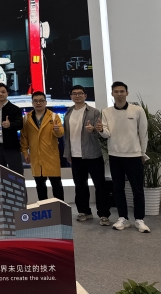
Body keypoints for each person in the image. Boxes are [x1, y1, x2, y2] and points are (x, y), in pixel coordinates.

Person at [96, 81, 150, 233]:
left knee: (137, 189)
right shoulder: (106, 112)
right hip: (115, 155)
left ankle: (139, 219)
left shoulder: (137, 110)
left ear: (127, 93)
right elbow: (106, 134)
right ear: (112, 94)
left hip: (134, 155)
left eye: (122, 91)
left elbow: (143, 133)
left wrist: (142, 153)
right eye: (116, 92)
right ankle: (123, 218)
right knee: (118, 188)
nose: (119, 94)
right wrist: (100, 130)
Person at [63, 85, 112, 226]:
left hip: (93, 154)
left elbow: (100, 133)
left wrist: (93, 130)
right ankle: (84, 211)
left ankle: (104, 214)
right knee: (80, 185)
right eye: (74, 93)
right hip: (75, 155)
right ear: (71, 96)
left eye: (80, 93)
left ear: (85, 95)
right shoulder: (68, 113)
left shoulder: (94, 112)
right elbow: (67, 136)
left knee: (100, 185)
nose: (77, 96)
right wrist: (68, 153)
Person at [20, 91, 65, 201]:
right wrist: (25, 152)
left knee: (57, 185)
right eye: (35, 101)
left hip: (51, 156)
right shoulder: (26, 118)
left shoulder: (53, 116)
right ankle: (44, 208)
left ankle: (60, 207)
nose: (38, 103)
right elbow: (24, 137)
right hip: (36, 156)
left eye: (41, 101)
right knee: (40, 186)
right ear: (32, 103)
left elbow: (60, 134)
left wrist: (57, 130)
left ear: (45, 102)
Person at [0, 82, 24, 175]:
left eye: (3, 92)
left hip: (11, 148)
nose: (0, 94)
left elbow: (20, 125)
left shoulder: (15, 109)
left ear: (7, 93)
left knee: (17, 175)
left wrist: (10, 125)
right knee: (0, 176)